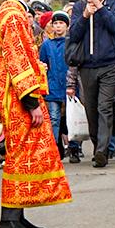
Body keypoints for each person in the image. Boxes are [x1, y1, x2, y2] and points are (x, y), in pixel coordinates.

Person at [0, 0, 71, 228]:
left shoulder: (9, 11)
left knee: (20, 152)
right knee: (20, 154)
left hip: (11, 93)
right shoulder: (14, 15)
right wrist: (31, 101)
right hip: (16, 95)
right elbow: (17, 60)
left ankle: (15, 213)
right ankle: (9, 218)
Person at [66, 0, 115, 168]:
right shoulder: (79, 7)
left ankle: (102, 150)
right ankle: (97, 143)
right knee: (91, 109)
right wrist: (85, 15)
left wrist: (100, 8)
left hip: (109, 64)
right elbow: (74, 34)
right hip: (87, 65)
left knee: (104, 107)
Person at [39, 12, 72, 158]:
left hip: (69, 84)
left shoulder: (70, 43)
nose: (58, 26)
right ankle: (53, 149)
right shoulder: (47, 45)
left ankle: (74, 147)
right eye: (55, 23)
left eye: (61, 23)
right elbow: (42, 64)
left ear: (67, 25)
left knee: (71, 118)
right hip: (52, 86)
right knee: (54, 117)